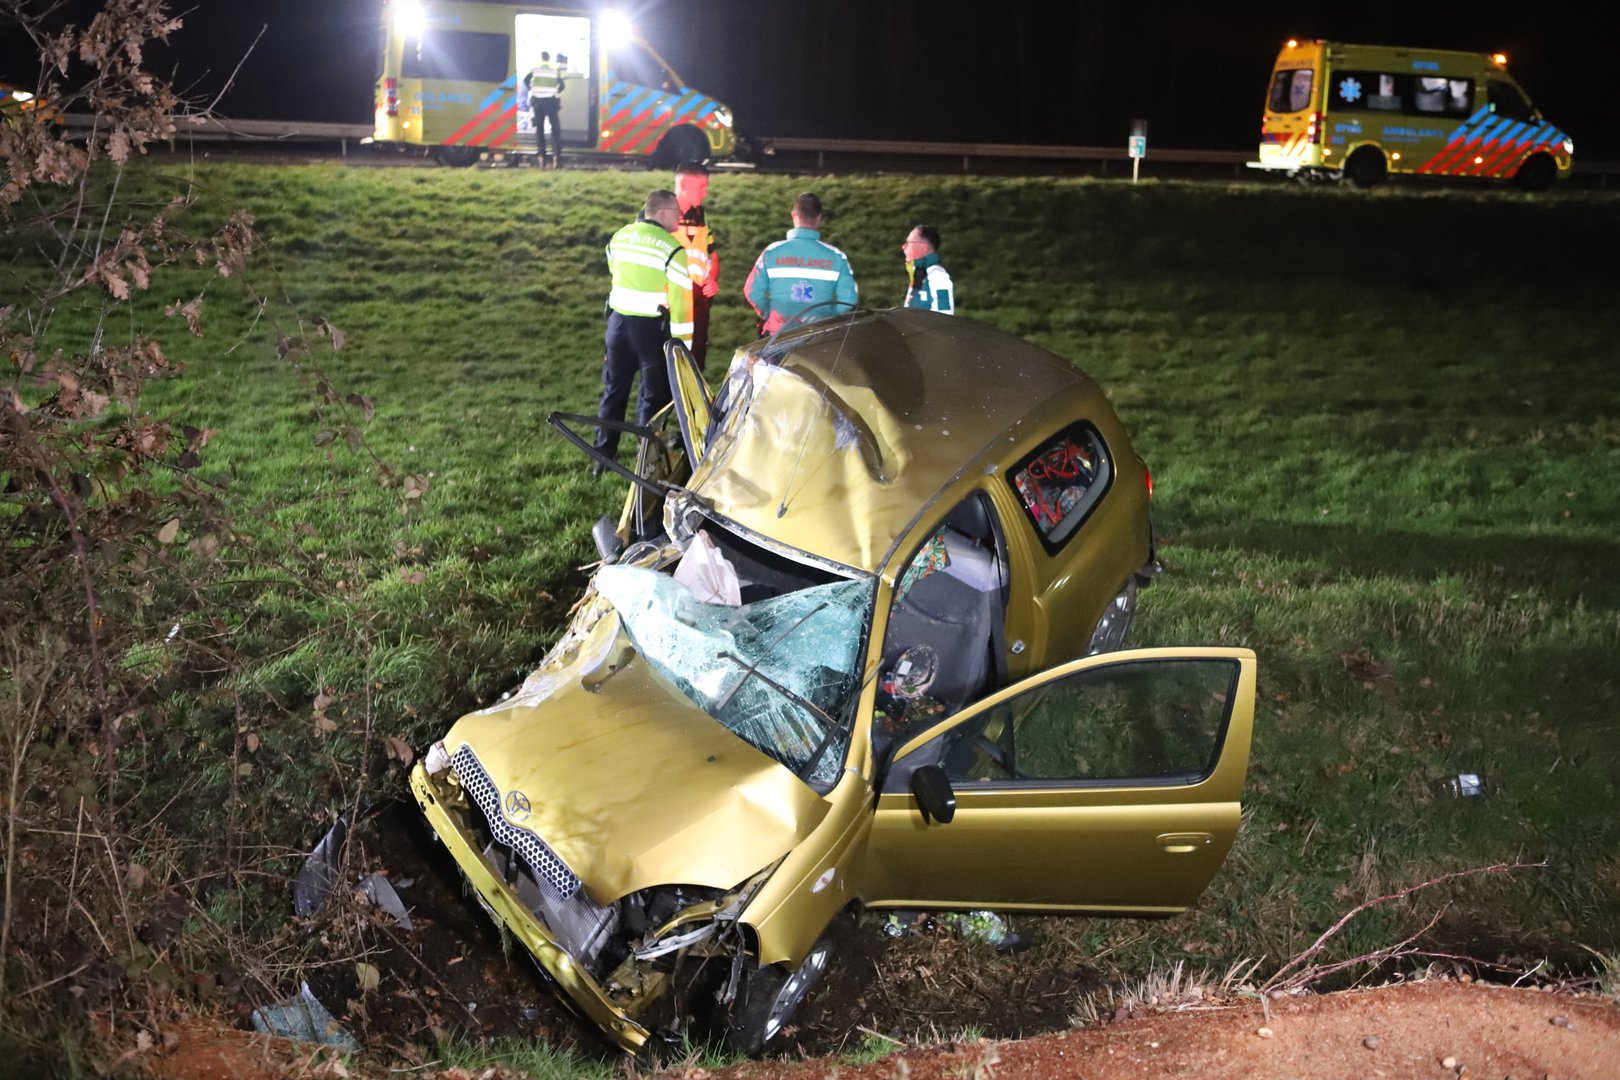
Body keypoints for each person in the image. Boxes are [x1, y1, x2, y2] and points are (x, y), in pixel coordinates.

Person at [597, 190, 693, 471]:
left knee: (614, 390)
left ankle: (603, 456)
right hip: (650, 329)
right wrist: (683, 345)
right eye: (676, 211)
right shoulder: (672, 248)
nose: (681, 216)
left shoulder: (620, 236)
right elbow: (681, 303)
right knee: (652, 395)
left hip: (617, 325)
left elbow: (615, 268)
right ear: (662, 213)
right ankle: (646, 457)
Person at [743, 192, 858, 336]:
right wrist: (830, 318)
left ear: (793, 215)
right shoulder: (836, 256)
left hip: (777, 334)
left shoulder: (772, 252)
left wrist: (769, 313)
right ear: (819, 218)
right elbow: (849, 299)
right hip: (818, 335)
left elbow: (751, 291)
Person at [673, 160, 719, 369]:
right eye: (700, 187)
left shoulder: (701, 216)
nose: (705, 193)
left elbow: (712, 256)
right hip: (674, 301)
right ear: (682, 186)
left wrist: (711, 281)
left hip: (699, 300)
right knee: (672, 362)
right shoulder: (661, 216)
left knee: (696, 361)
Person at [524, 51, 566, 167]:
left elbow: (526, 80)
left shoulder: (535, 69)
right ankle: (556, 156)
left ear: (541, 58)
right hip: (551, 102)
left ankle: (541, 156)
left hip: (538, 102)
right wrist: (556, 91)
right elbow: (562, 85)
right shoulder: (554, 69)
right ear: (549, 58)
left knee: (540, 130)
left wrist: (532, 89)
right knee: (555, 129)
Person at [901, 224, 954, 314]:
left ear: (923, 247)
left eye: (908, 243)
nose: (903, 247)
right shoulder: (918, 275)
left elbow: (945, 317)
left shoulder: (938, 276)